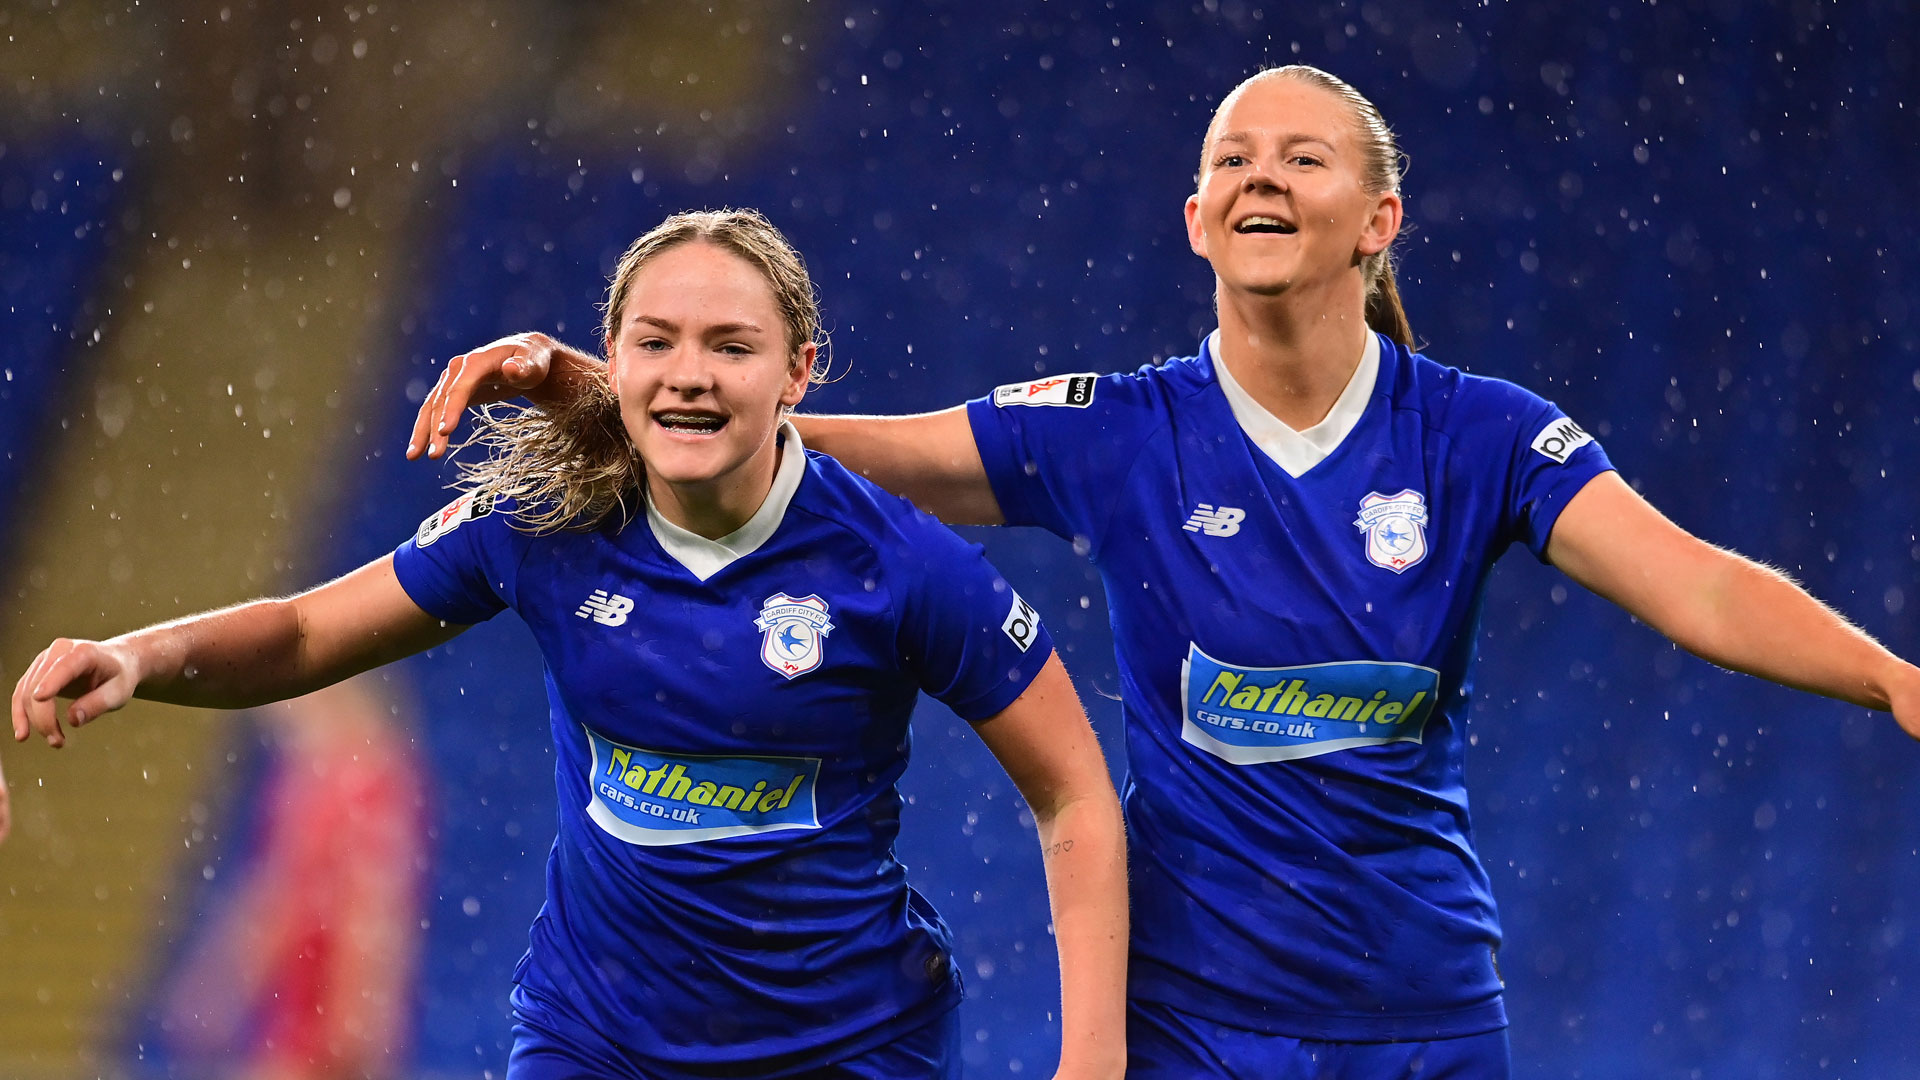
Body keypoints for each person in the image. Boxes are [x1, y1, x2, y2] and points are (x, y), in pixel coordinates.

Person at [399, 67, 1920, 1078]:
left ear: (1377, 221)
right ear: (1195, 222)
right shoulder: (1119, 432)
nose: (1262, 175)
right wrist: (613, 397)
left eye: (1303, 155)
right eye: (1230, 160)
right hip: (1191, 1019)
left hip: (1424, 1011)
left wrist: (1891, 675)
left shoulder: (1484, 440)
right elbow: (831, 442)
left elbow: (1701, 586)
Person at [8, 209, 1130, 1080]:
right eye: (657, 341)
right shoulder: (544, 524)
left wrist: (1090, 1060)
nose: (689, 371)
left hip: (845, 1043)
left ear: (798, 372)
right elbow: (306, 631)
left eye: (731, 346)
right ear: (615, 357)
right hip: (598, 1038)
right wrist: (140, 657)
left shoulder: (904, 564)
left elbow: (1074, 793)